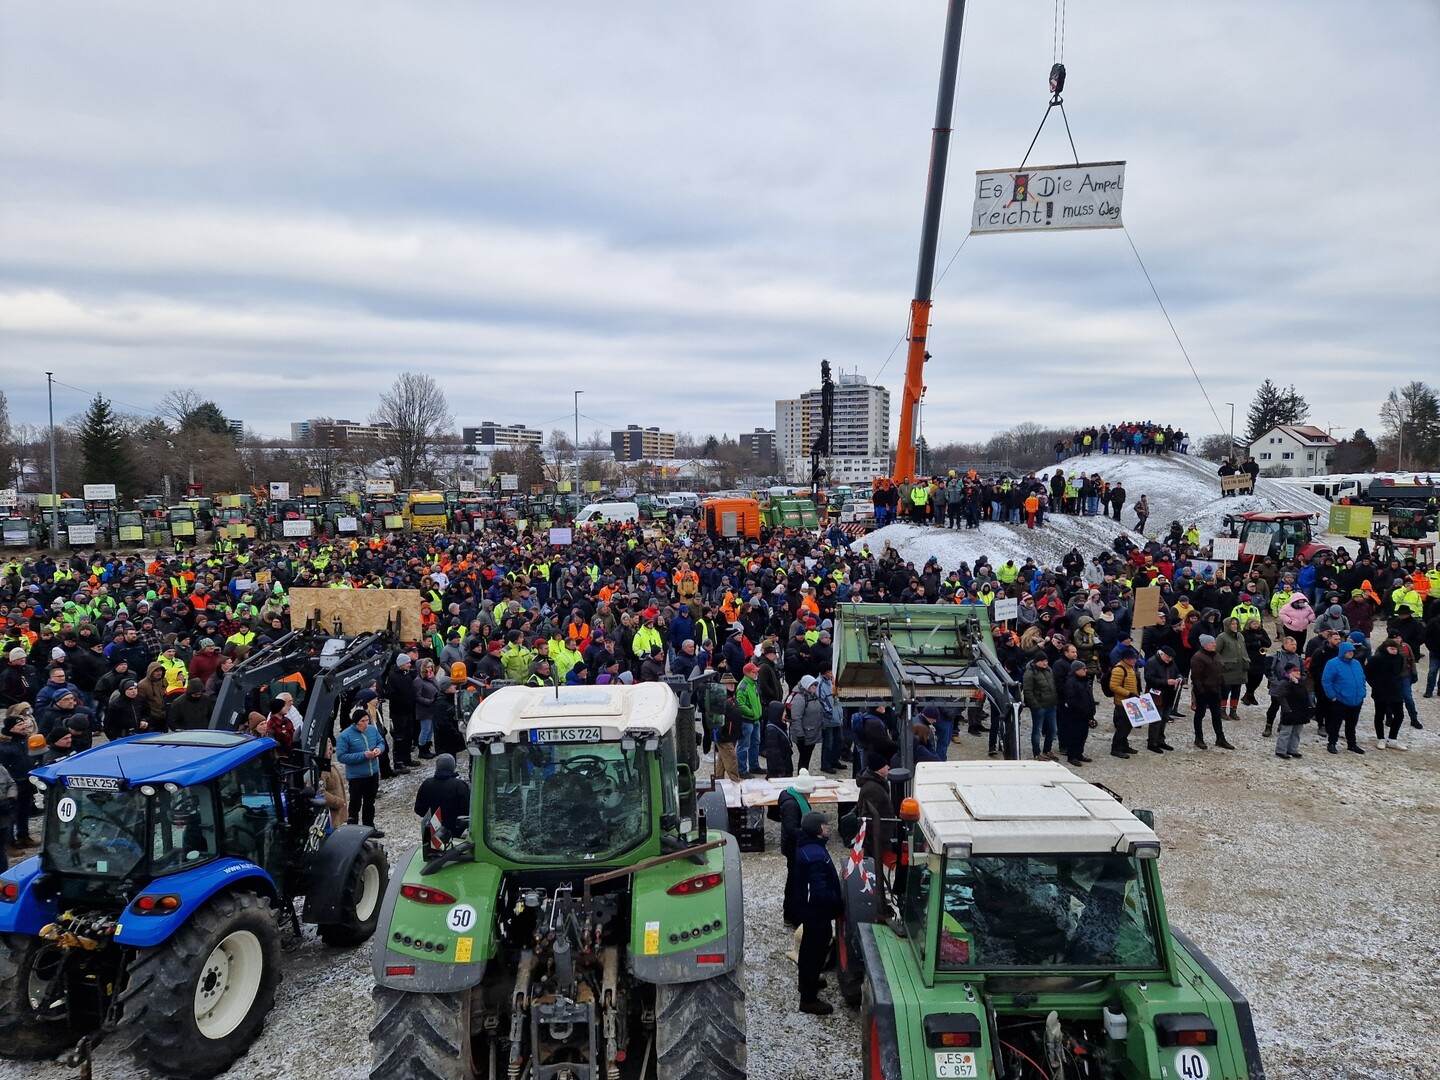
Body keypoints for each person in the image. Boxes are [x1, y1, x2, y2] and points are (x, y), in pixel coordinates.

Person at [787, 811, 842, 1016]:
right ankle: (808, 999)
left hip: (811, 912)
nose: (828, 828)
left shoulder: (809, 847)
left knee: (812, 948)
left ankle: (810, 981)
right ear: (818, 829)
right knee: (814, 952)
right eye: (825, 825)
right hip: (816, 913)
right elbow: (818, 891)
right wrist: (837, 902)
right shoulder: (815, 856)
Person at [335, 706, 386, 834]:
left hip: (372, 773)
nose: (366, 724)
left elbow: (381, 742)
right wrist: (363, 755)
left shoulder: (372, 730)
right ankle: (353, 831)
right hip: (357, 776)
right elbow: (341, 757)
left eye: (367, 720)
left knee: (370, 802)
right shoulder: (345, 736)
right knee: (355, 804)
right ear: (355, 722)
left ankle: (369, 828)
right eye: (362, 721)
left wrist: (379, 749)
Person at [1320, 640, 1367, 755]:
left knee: (1352, 724)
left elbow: (1362, 678)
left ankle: (1352, 744)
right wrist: (1332, 696)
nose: (1351, 653)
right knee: (1335, 724)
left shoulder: (1356, 663)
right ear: (1342, 652)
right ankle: (1332, 743)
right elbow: (1326, 681)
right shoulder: (1332, 663)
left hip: (1356, 700)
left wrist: (1362, 693)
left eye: (1352, 651)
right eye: (1348, 651)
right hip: (1340, 700)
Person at [1187, 635, 1234, 749]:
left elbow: (1219, 672)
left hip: (1215, 690)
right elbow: (1195, 677)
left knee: (1217, 715)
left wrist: (1223, 685)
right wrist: (1201, 692)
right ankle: (1199, 738)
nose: (1215, 644)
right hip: (1203, 692)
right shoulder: (1198, 657)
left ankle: (1220, 738)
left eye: (1214, 642)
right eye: (1212, 643)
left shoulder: (1215, 655)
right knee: (1200, 715)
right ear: (1205, 645)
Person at [414, 753, 471, 845]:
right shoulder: (460, 786)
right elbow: (467, 811)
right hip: (457, 834)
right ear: (453, 766)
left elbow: (419, 810)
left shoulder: (427, 784)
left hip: (433, 832)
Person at [1365, 637, 1408, 751]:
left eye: (1395, 649)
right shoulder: (1376, 659)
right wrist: (1376, 685)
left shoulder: (1399, 658)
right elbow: (1368, 673)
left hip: (1395, 691)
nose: (1394, 651)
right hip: (1381, 692)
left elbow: (1399, 672)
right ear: (1386, 648)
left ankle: (1392, 739)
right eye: (1392, 648)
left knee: (1399, 715)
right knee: (1380, 715)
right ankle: (1381, 738)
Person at [1022, 654, 1059, 761]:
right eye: (1043, 661)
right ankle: (1036, 752)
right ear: (1037, 661)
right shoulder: (1029, 673)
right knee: (1037, 730)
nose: (1045, 663)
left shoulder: (1049, 670)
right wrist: (1035, 705)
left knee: (1053, 729)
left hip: (1051, 704)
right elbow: (1027, 690)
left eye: (1046, 661)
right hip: (1039, 707)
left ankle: (1047, 749)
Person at [1106, 647, 1141, 758]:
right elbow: (1114, 686)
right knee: (1122, 726)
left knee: (1129, 725)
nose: (1134, 660)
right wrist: (1129, 694)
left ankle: (1124, 745)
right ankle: (1115, 748)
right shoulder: (1119, 669)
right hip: (1122, 703)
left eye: (1135, 658)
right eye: (1132, 659)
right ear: (1125, 659)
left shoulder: (1130, 667)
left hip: (1130, 701)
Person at [788, 675, 825, 773]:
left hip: (811, 733)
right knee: (804, 758)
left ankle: (804, 775)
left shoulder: (812, 696)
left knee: (806, 758)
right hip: (804, 735)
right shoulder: (800, 699)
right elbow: (796, 718)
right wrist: (800, 735)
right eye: (812, 685)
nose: (814, 687)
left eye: (815, 685)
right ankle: (802, 777)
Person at [1273, 666, 1311, 759]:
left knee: (1296, 732)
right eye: (1295, 671)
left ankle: (1292, 749)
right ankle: (1281, 750)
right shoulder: (1285, 683)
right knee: (1286, 731)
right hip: (1290, 711)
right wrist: (1287, 709)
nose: (1298, 673)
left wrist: (1309, 707)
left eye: (1299, 671)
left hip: (1301, 711)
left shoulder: (1301, 683)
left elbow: (1306, 695)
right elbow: (1281, 696)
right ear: (1289, 672)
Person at [735, 662, 763, 778]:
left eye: (756, 671)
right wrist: (751, 713)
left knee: (755, 743)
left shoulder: (753, 684)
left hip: (755, 720)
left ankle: (754, 766)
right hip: (747, 721)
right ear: (747, 673)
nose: (756, 673)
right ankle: (742, 770)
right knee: (744, 745)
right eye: (754, 672)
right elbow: (740, 705)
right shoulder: (743, 686)